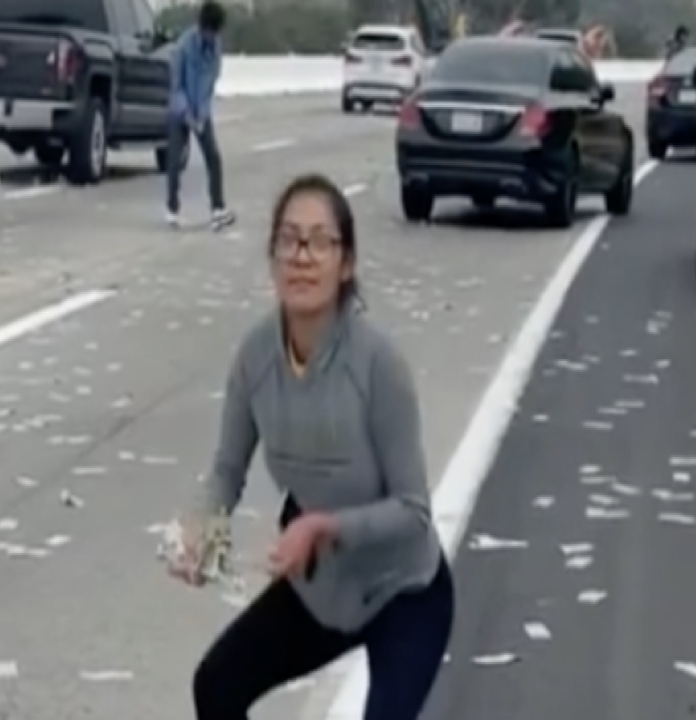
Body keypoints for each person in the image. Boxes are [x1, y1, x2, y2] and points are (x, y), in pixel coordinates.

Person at [169, 174, 454, 720]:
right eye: (289, 239)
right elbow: (228, 471)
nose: (302, 256)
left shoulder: (377, 365)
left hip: (405, 592)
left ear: (345, 264)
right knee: (217, 686)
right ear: (273, 256)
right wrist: (203, 529)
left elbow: (414, 513)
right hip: (321, 591)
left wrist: (322, 528)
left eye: (320, 241)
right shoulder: (254, 359)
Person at [166, 1, 234, 229]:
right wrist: (186, 114)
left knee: (213, 157)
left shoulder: (215, 50)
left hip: (200, 110)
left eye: (215, 33)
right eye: (208, 31)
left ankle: (218, 206)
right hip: (180, 110)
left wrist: (202, 116)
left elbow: (210, 84)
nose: (211, 36)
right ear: (201, 26)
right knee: (175, 159)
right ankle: (172, 207)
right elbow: (176, 86)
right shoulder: (183, 47)